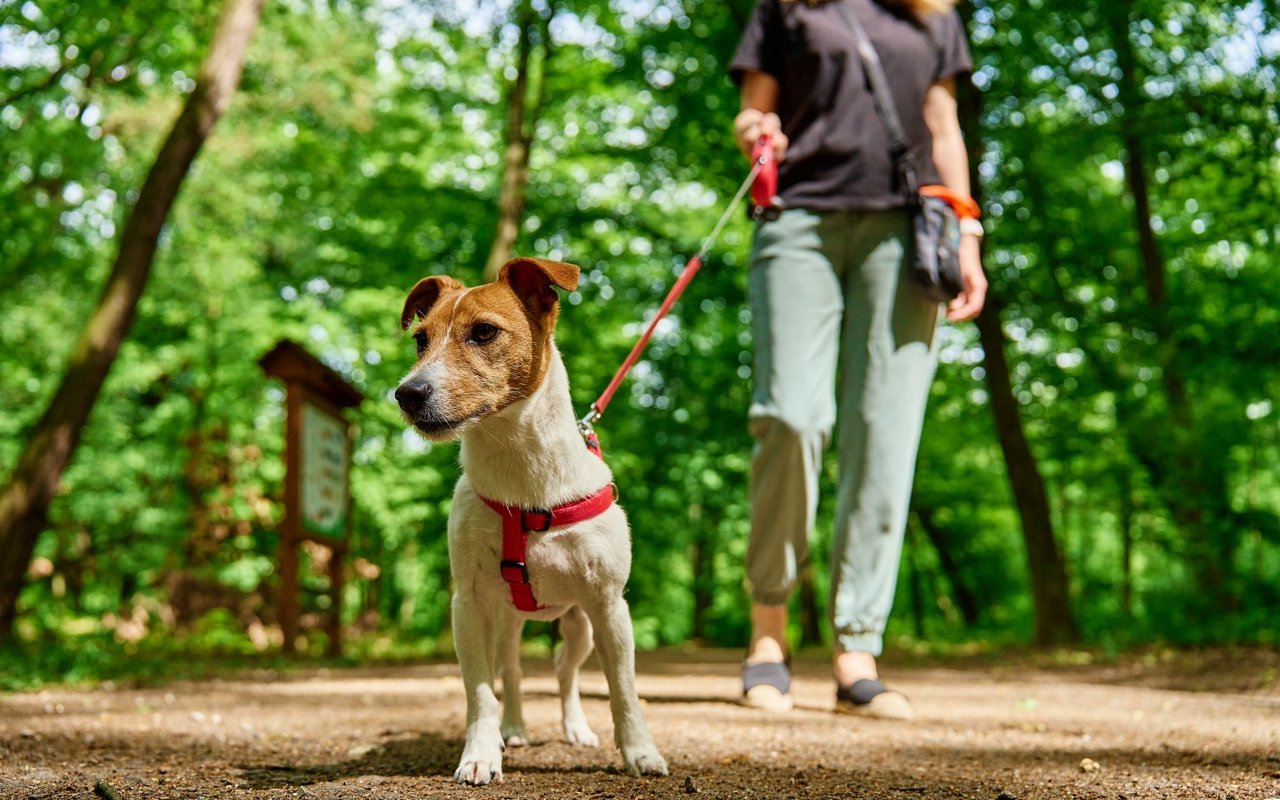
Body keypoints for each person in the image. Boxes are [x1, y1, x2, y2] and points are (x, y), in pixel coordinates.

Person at [728, 0, 987, 717]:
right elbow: (751, 111)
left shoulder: (932, 15)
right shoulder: (787, 7)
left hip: (906, 230)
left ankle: (857, 650)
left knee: (884, 431)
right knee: (790, 416)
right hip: (798, 220)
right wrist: (756, 132)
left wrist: (968, 236)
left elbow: (943, 126)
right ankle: (768, 633)